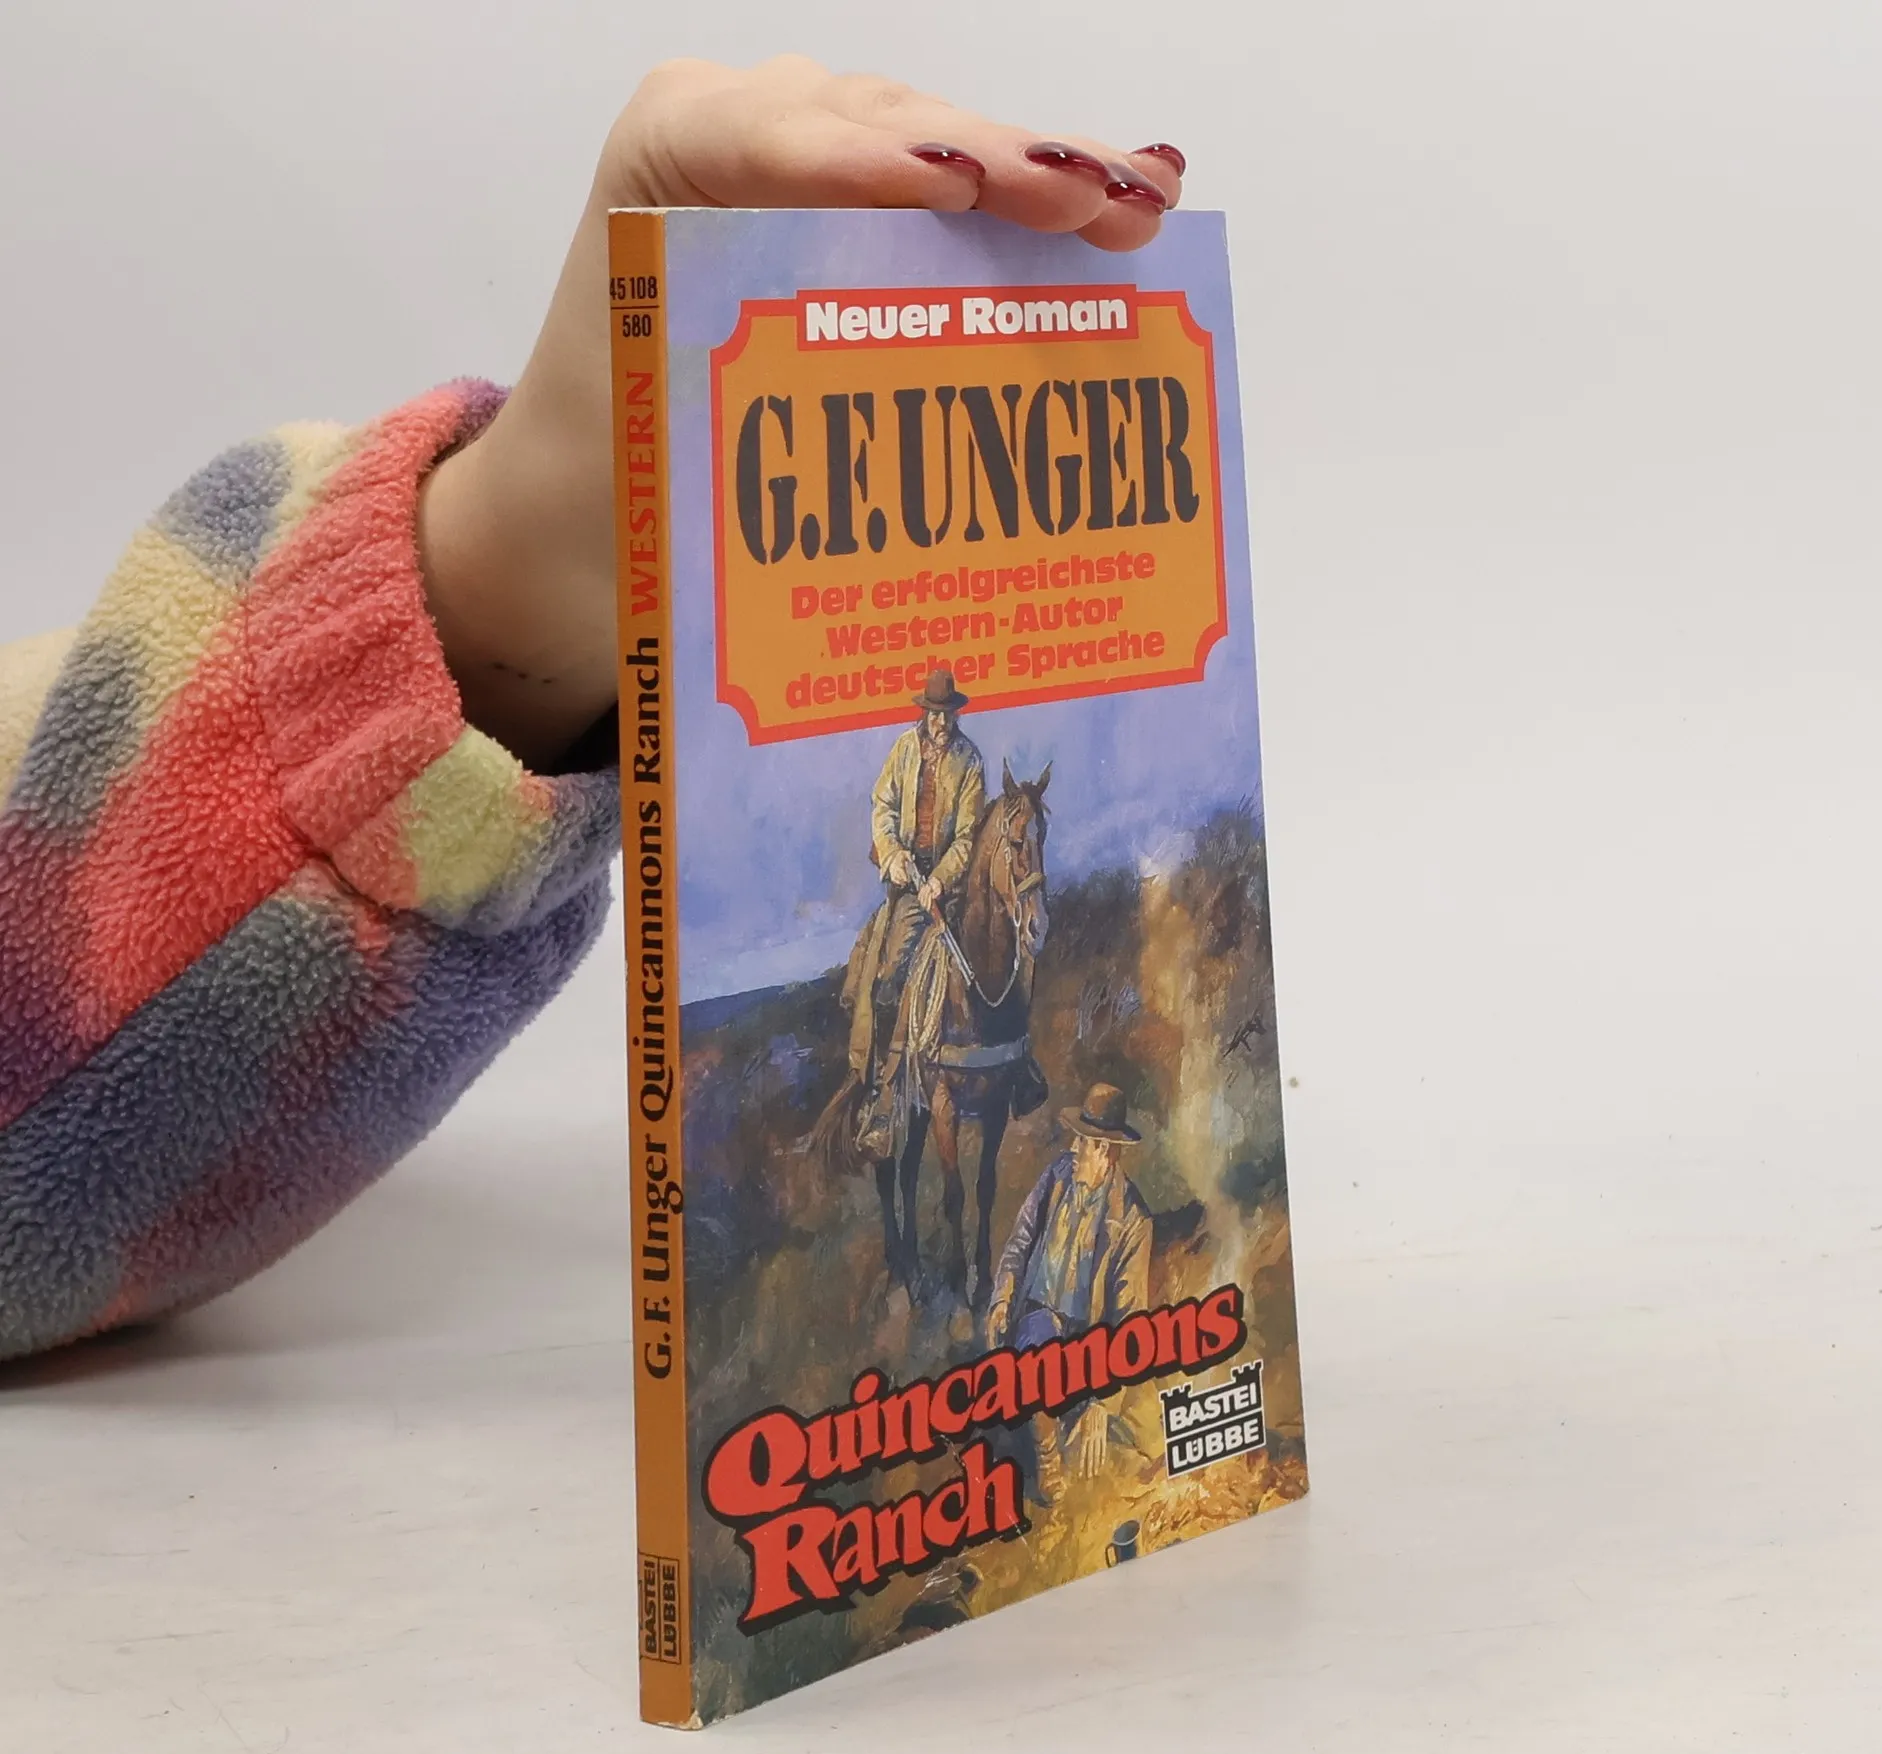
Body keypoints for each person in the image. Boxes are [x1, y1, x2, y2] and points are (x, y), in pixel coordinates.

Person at [0, 59, 1186, 1363]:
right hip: (917, 885)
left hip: (951, 872)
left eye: (955, 709)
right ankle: (878, 1088)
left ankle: (1005, 1066)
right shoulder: (916, 757)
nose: (950, 719)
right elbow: (900, 828)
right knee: (888, 968)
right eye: (947, 707)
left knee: (1011, 985)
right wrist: (918, 869)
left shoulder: (968, 766)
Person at [984, 1084, 1154, 1501]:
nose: (1074, 1149)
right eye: (1077, 1140)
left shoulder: (1133, 1220)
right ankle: (1046, 1455)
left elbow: (1131, 1319)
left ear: (1106, 1152)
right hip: (1039, 1319)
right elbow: (1020, 1241)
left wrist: (1103, 1401)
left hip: (1088, 1341)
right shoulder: (1057, 1177)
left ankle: (1073, 1414)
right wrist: (1003, 1297)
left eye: (1084, 1143)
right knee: (1037, 1347)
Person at [840, 667, 986, 1096]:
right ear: (924, 712)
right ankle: (884, 1079)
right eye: (933, 713)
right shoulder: (904, 749)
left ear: (956, 713)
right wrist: (893, 856)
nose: (939, 722)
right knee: (889, 975)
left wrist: (939, 880)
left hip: (951, 882)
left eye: (946, 714)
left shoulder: (970, 760)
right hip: (908, 880)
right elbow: (882, 806)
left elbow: (967, 835)